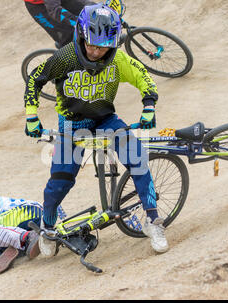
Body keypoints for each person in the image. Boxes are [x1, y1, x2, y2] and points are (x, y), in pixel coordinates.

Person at [24, 3, 169, 255]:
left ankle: (153, 221)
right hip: (72, 124)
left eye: (102, 47)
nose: (94, 51)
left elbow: (144, 77)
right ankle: (47, 229)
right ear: (81, 36)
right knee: (59, 183)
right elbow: (35, 80)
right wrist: (31, 117)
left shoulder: (119, 60)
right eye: (90, 44)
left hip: (105, 120)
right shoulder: (65, 57)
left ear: (112, 44)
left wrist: (148, 107)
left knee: (138, 159)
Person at [23, 0, 96, 48]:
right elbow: (55, 11)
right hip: (39, 7)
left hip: (54, 2)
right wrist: (77, 20)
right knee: (69, 37)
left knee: (90, 11)